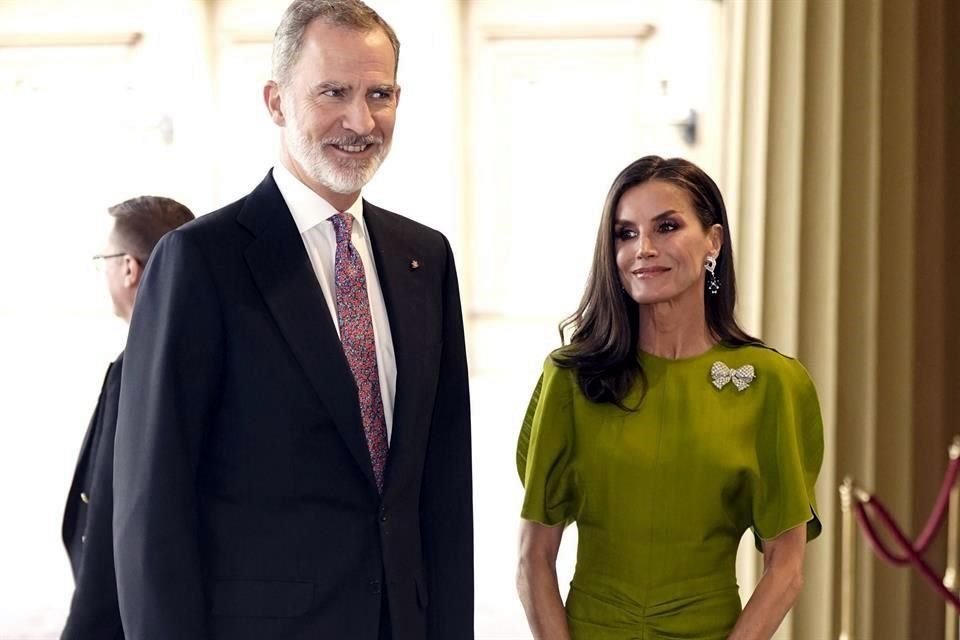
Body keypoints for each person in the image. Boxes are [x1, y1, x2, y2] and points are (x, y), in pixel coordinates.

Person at [111, 2, 473, 639]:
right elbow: (153, 508)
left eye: (379, 94)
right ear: (277, 101)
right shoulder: (200, 261)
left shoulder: (426, 258)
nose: (360, 120)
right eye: (332, 92)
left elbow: (443, 491)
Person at [516, 156, 823, 640]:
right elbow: (533, 557)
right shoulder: (570, 379)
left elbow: (786, 566)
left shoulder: (769, 384)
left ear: (713, 242)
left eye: (667, 226)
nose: (644, 248)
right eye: (626, 233)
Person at [61, 196, 194, 640]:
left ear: (129, 269)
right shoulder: (206, 360)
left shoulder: (138, 371)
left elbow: (112, 524)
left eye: (105, 258)